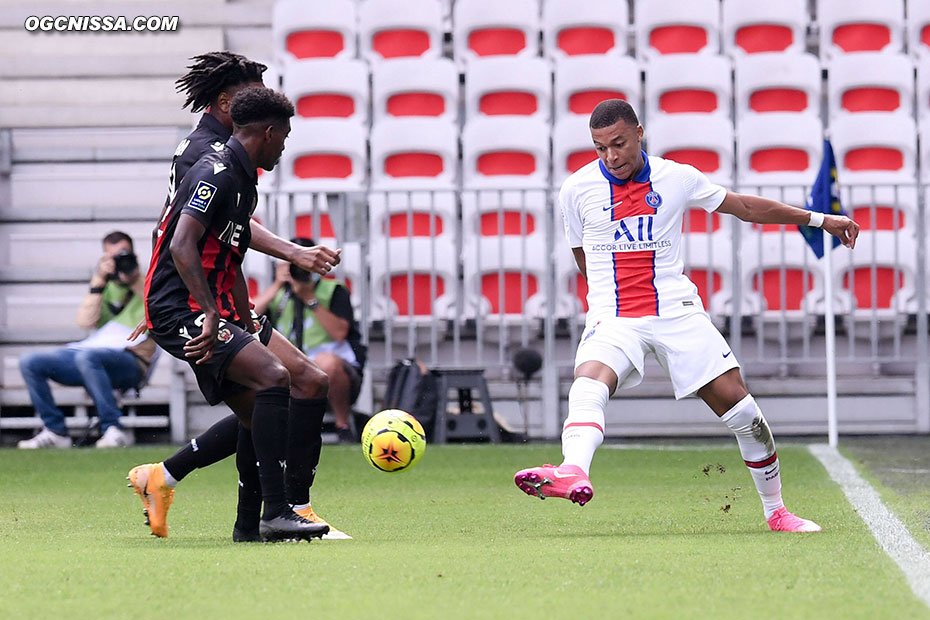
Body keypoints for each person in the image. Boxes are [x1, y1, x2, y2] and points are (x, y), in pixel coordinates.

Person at [513, 99, 860, 533]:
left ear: (639, 133)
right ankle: (572, 470)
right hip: (615, 314)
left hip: (676, 311)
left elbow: (745, 208)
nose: (611, 157)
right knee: (589, 381)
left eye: (619, 144)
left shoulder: (676, 177)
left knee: (744, 412)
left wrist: (819, 219)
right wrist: (605, 304)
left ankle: (777, 511)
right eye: (600, 148)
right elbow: (583, 257)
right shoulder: (576, 190)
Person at [127, 52, 347, 542]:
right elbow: (180, 237)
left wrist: (285, 261)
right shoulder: (208, 158)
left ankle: (261, 516)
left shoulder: (238, 164)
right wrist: (178, 303)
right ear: (233, 106)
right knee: (275, 385)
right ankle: (280, 511)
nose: (285, 147)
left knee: (294, 387)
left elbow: (223, 235)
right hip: (192, 299)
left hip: (218, 295)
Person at [17, 232, 157, 449]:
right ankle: (55, 431)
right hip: (93, 356)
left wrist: (134, 279)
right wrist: (99, 281)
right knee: (30, 362)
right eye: (113, 257)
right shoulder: (104, 285)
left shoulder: (148, 281)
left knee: (87, 357)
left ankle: (112, 428)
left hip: (132, 361)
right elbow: (85, 322)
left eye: (124, 255)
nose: (120, 261)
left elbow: (156, 307)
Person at [253, 238, 366, 443]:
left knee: (326, 364)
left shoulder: (333, 289)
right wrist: (278, 284)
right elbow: (249, 315)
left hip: (335, 366)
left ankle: (343, 425)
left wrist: (310, 299)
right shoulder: (278, 294)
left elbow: (340, 333)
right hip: (290, 363)